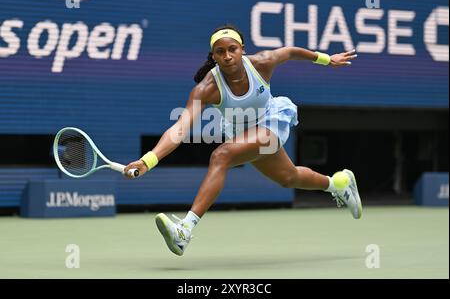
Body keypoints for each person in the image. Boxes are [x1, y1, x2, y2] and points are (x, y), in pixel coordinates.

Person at [124, 24, 362, 256]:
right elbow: (179, 129)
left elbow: (289, 52)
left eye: (232, 49)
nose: (227, 56)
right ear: (214, 56)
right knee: (289, 177)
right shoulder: (206, 88)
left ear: (242, 49)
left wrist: (326, 59)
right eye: (220, 52)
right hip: (242, 132)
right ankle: (338, 184)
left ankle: (185, 230)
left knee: (221, 155)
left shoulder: (262, 63)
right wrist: (148, 161)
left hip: (271, 120)